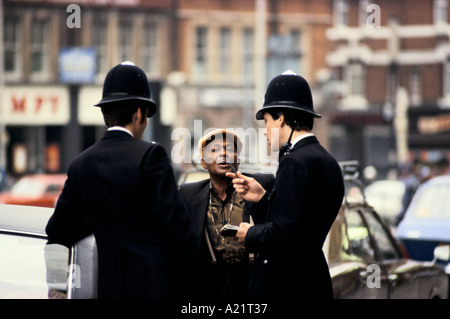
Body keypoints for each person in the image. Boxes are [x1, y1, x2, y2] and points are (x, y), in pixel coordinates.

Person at [45, 62, 203, 299]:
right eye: (147, 115)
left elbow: (57, 232)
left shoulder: (80, 165)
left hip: (109, 290)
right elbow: (178, 232)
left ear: (105, 114)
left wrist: (57, 285)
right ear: (139, 113)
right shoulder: (151, 156)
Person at [227, 71, 345, 299]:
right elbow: (300, 223)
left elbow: (286, 236)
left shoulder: (294, 161)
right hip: (313, 281)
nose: (264, 131)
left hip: (287, 286)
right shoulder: (328, 161)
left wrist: (249, 234)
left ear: (280, 118)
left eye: (266, 121)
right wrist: (263, 198)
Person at [179, 129, 275, 299]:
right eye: (214, 150)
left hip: (254, 281)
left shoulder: (261, 184)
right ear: (203, 163)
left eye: (230, 149)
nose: (224, 153)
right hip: (210, 284)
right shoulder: (188, 193)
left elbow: (279, 225)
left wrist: (263, 199)